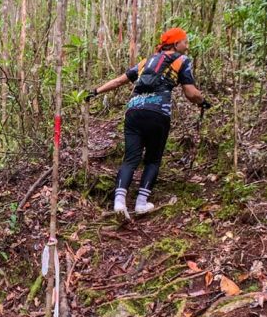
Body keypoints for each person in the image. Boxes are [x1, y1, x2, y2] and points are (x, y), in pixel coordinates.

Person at [88, 27, 212, 217]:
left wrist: (96, 91)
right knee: (152, 160)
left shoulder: (147, 62)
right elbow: (190, 92)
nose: (187, 45)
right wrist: (202, 101)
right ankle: (140, 203)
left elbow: (120, 81)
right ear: (176, 44)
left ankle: (119, 203)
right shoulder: (182, 60)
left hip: (134, 111)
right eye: (185, 41)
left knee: (130, 158)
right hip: (158, 113)